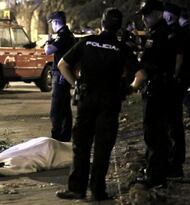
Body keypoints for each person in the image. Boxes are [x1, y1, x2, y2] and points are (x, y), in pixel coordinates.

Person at [55, 8, 136, 201]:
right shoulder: (122, 47)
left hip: (87, 100)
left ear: (102, 23)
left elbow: (62, 65)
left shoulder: (86, 42)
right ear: (118, 27)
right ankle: (98, 191)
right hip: (110, 103)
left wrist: (76, 85)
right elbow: (141, 74)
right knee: (103, 147)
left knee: (81, 146)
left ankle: (77, 189)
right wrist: (129, 89)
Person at [130, 0, 177, 188]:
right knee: (159, 132)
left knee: (154, 132)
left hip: (157, 89)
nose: (143, 18)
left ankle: (155, 176)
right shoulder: (162, 33)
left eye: (147, 14)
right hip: (161, 88)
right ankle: (157, 171)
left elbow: (149, 64)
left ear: (158, 13)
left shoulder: (159, 35)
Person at [163, 2, 187, 178]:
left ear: (170, 15)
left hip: (174, 85)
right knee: (173, 122)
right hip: (176, 83)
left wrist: (173, 77)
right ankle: (174, 162)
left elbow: (179, 58)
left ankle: (175, 164)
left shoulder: (176, 33)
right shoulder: (175, 32)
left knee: (173, 123)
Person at [44, 11, 76, 142]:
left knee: (57, 108)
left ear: (55, 22)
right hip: (64, 74)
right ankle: (64, 135)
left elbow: (48, 50)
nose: (51, 26)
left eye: (51, 23)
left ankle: (57, 137)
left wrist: (48, 42)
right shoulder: (67, 35)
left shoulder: (63, 36)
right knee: (64, 106)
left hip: (61, 75)